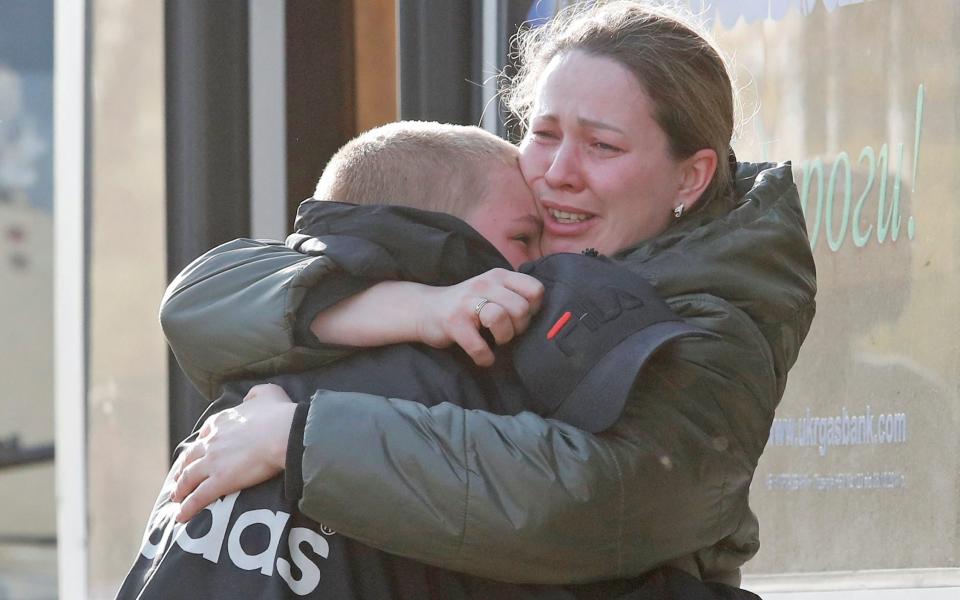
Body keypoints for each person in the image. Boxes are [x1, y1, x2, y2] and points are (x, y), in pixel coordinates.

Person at [162, 1, 817, 596]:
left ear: (691, 176)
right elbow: (200, 302)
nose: (559, 172)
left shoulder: (714, 320)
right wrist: (416, 306)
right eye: (546, 131)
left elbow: (591, 504)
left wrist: (298, 434)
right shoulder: (507, 258)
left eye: (602, 145)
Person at [122, 121, 707, 599]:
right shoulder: (463, 388)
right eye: (524, 238)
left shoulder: (251, 387)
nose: (540, 269)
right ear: (431, 238)